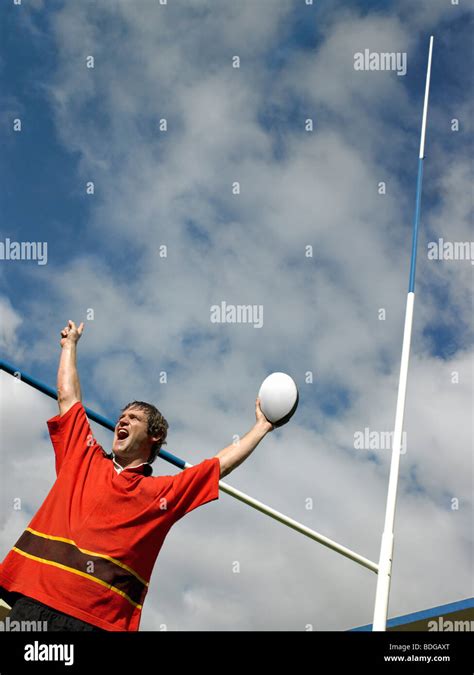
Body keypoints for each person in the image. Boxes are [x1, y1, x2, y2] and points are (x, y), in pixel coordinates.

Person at [0, 320, 274, 631]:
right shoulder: (82, 456)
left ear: (154, 435)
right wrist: (69, 346)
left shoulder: (162, 494)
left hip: (96, 621)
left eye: (133, 417)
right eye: (121, 416)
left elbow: (218, 465)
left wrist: (261, 427)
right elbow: (68, 397)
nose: (122, 420)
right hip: (34, 602)